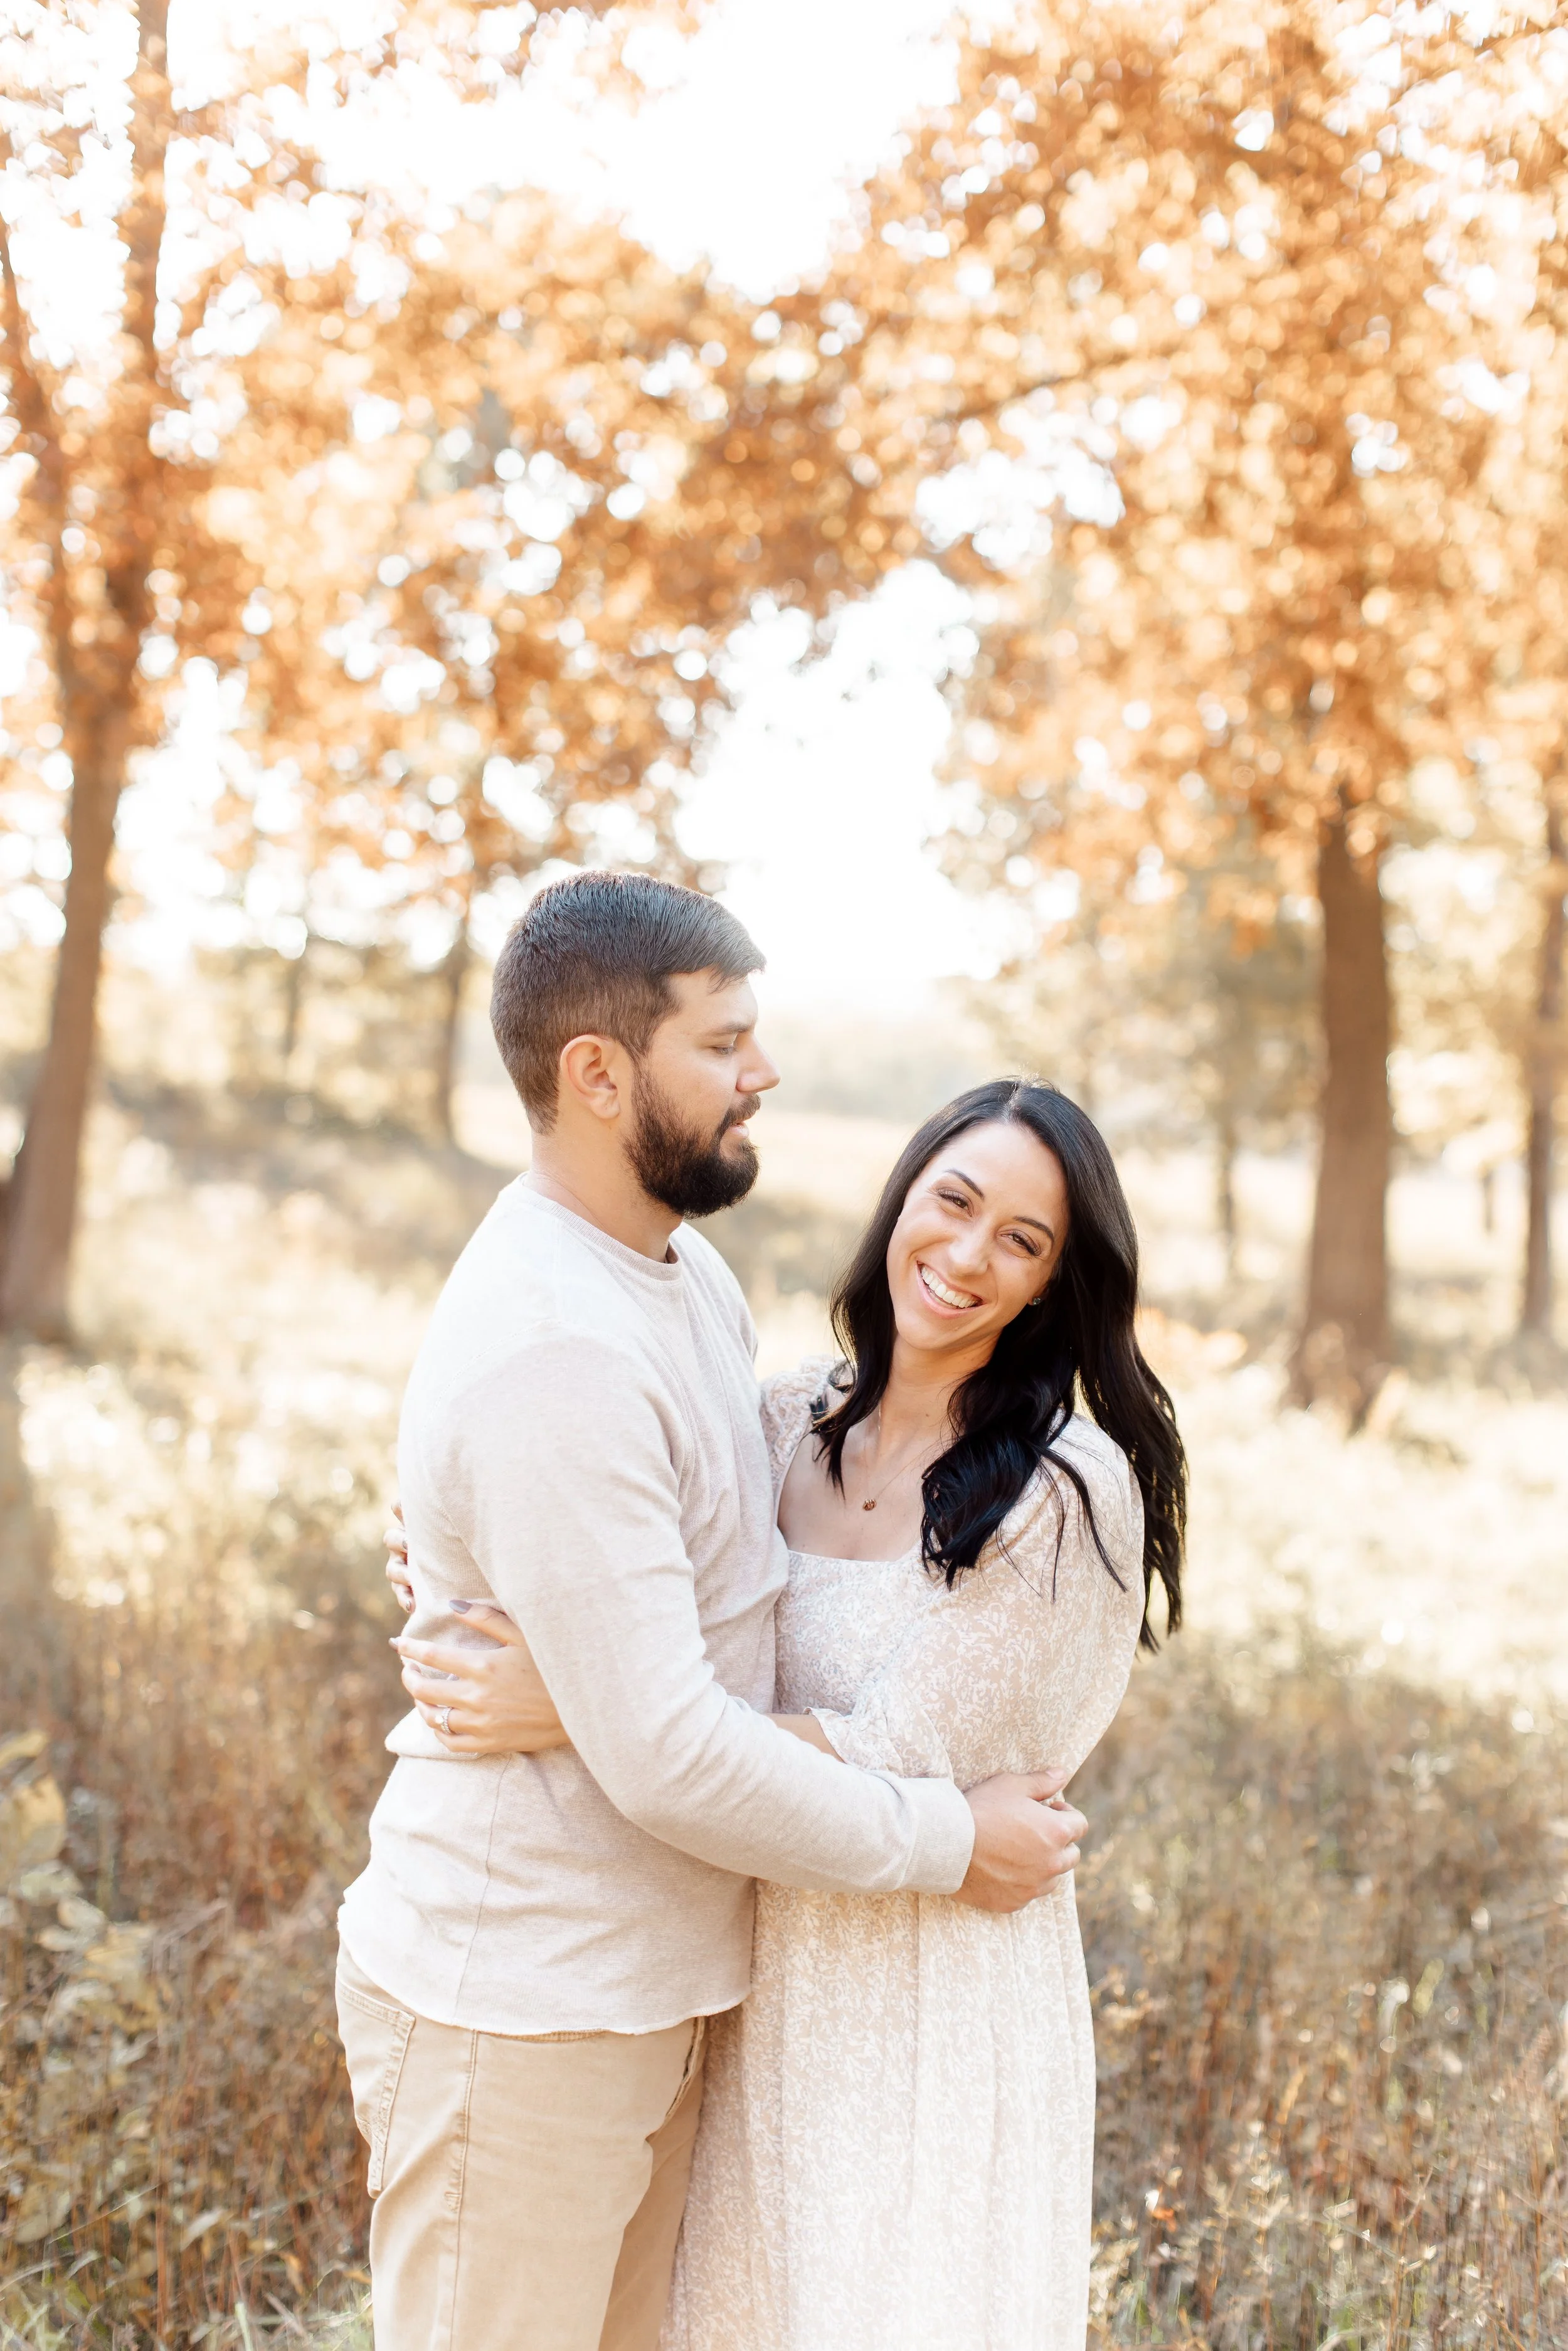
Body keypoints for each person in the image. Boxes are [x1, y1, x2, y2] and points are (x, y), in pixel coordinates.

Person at [336, 871, 1088, 2351]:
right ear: (599, 1074)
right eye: (724, 1043)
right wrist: (951, 1838)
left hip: (656, 1993)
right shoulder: (555, 1348)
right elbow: (670, 1752)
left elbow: (711, 1592)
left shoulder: (681, 1276)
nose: (765, 1072)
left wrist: (566, 1681)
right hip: (525, 2007)